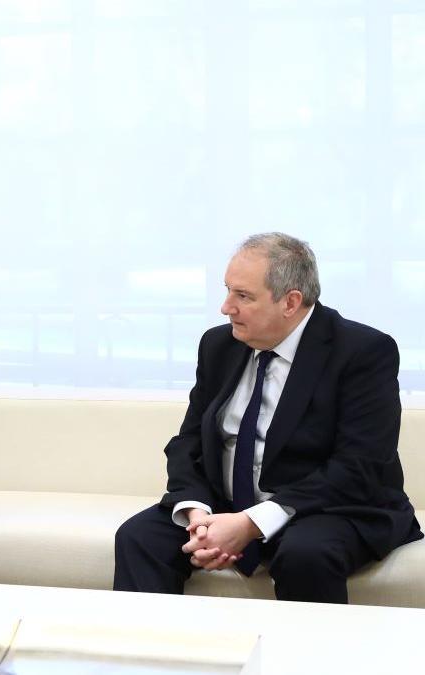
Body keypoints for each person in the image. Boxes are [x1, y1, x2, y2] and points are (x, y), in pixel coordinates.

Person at [114, 233, 421, 603]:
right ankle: (154, 658)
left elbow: (359, 466)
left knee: (304, 554)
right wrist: (198, 514)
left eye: (243, 296)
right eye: (228, 290)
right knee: (139, 537)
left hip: (329, 508)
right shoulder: (219, 345)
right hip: (225, 505)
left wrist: (250, 524)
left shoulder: (363, 352)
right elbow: (188, 442)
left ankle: (305, 662)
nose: (226, 307)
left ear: (291, 302)